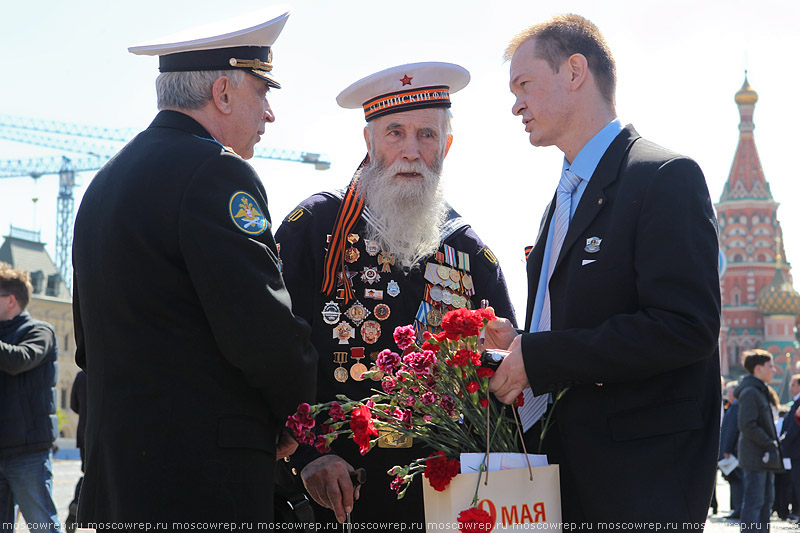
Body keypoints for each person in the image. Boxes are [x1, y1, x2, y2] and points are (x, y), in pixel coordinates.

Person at [71, 7, 318, 528]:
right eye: (263, 91)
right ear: (223, 93)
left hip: (119, 481)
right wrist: (296, 411)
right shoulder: (216, 172)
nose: (269, 113)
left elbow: (90, 348)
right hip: (200, 482)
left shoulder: (104, 182)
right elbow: (261, 331)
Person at [485, 14, 721, 525]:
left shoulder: (663, 176)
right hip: (569, 477)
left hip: (640, 484)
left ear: (575, 72)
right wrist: (523, 342)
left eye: (525, 85)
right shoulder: (561, 200)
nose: (515, 105)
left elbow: (686, 328)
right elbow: (585, 333)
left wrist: (541, 356)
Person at [275, 62, 516, 528]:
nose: (411, 151)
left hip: (445, 499)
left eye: (427, 134)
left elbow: (506, 382)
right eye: (395, 132)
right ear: (368, 143)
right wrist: (306, 456)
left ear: (446, 146)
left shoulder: (468, 250)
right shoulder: (316, 231)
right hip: (335, 495)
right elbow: (272, 353)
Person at [0, 262, 60, 532]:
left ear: (10, 300)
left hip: (28, 453)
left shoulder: (40, 332)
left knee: (42, 526)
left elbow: (19, 360)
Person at [736, 350, 783, 530]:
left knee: (765, 504)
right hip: (756, 456)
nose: (774, 370)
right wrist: (769, 443)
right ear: (758, 368)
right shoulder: (751, 392)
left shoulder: (760, 390)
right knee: (755, 503)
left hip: (764, 456)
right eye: (770, 366)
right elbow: (747, 425)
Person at [721, 380, 744, 520]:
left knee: (737, 481)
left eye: (729, 391)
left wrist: (727, 449)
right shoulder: (734, 406)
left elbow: (730, 430)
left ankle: (738, 508)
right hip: (736, 450)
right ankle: (736, 507)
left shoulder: (735, 407)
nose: (727, 394)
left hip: (734, 452)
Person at [780, 374, 800, 521]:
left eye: (793, 385)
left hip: (796, 451)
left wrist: (783, 442)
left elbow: (794, 425)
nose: (790, 388)